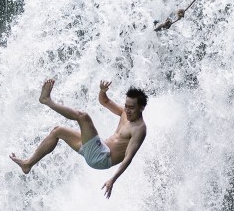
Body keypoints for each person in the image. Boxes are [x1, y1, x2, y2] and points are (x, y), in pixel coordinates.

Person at [9, 78, 148, 199]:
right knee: (58, 131)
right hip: (97, 149)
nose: (127, 110)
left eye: (132, 108)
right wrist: (102, 91)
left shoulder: (139, 129)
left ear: (141, 108)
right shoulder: (125, 113)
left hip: (102, 157)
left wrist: (113, 179)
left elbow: (129, 158)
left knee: (83, 117)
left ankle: (46, 100)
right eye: (126, 106)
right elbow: (104, 101)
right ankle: (28, 164)